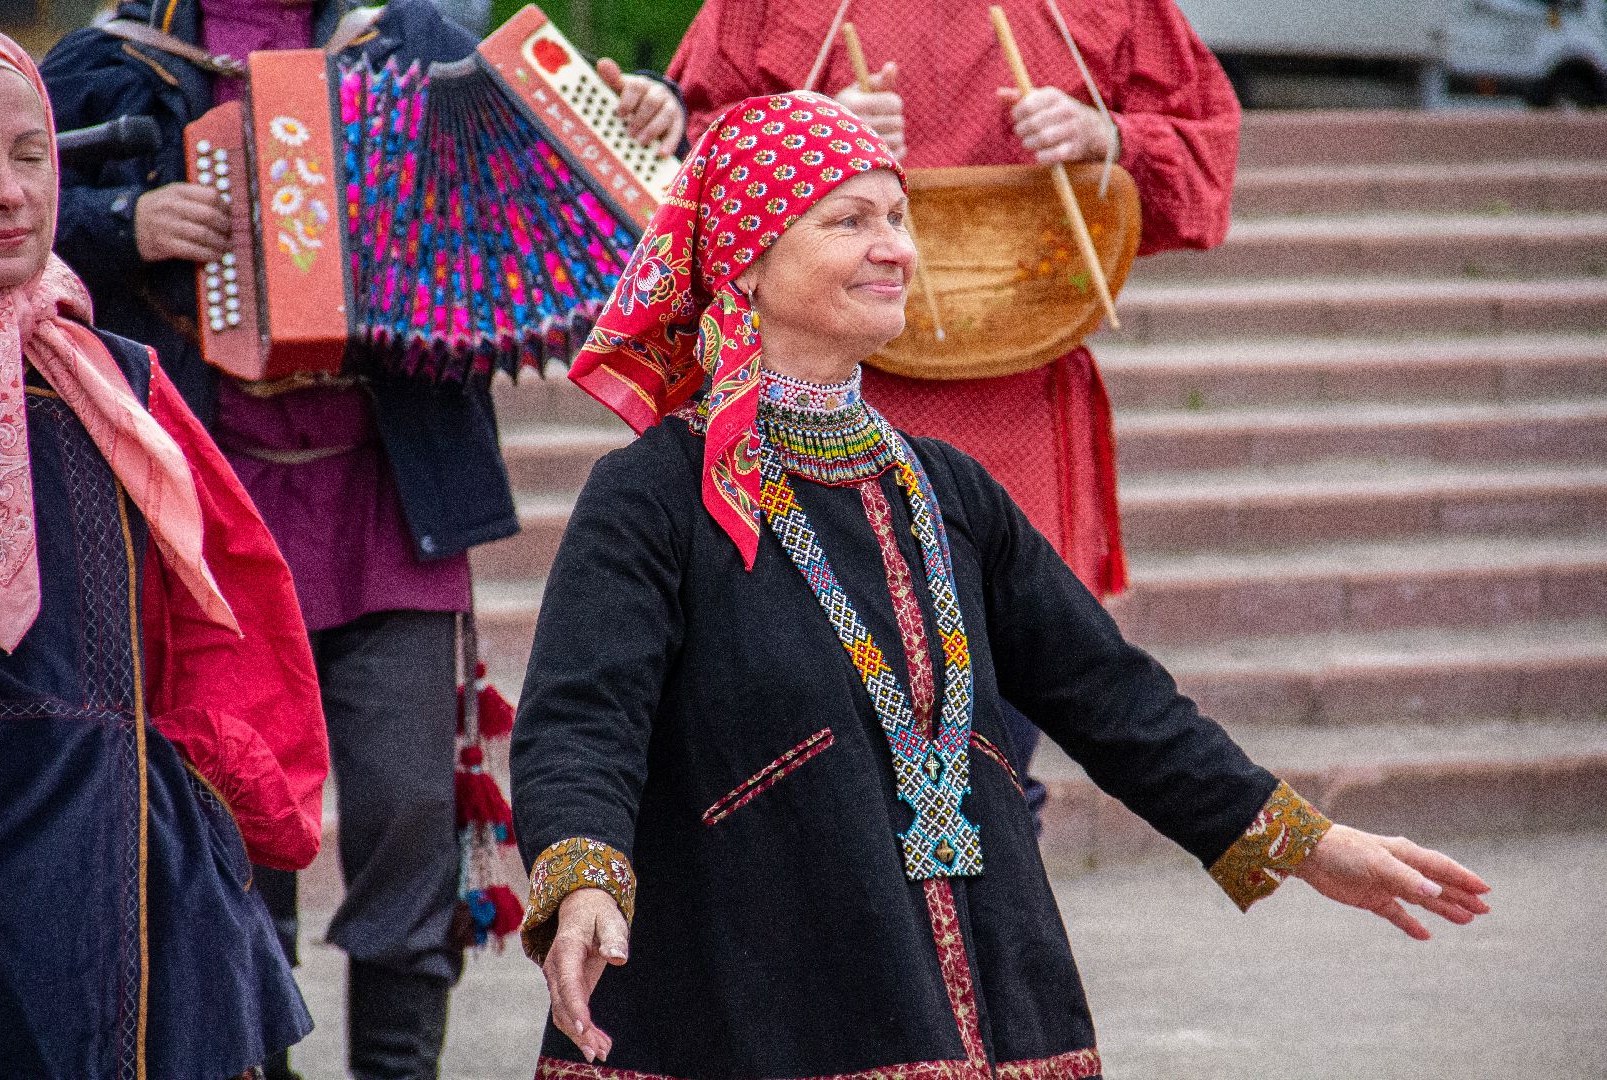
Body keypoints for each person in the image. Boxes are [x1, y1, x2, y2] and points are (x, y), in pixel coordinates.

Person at [508, 93, 1493, 1077]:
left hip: (984, 984)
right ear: (748, 267)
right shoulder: (655, 494)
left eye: (898, 217)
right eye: (847, 220)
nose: (892, 246)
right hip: (756, 997)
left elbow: (1112, 696)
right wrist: (587, 878)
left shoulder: (948, 489)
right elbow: (582, 719)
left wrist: (1305, 841)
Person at [40, 2, 685, 1077]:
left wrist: (634, 122)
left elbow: (576, 177)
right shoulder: (109, 64)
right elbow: (18, 209)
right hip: (209, 513)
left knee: (409, 815)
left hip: (390, 502)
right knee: (239, 821)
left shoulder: (419, 43)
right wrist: (126, 218)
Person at [667, 0, 1242, 816]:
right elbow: (684, 152)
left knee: (995, 763)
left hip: (1019, 405)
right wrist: (804, 130)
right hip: (815, 401)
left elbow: (1206, 145)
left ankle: (988, 928)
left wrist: (1105, 134)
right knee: (824, 760)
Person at [0, 28, 328, 1079]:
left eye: (28, 156)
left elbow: (231, 609)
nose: (4, 193)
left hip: (116, 844)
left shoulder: (122, 386)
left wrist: (220, 794)